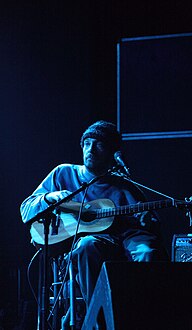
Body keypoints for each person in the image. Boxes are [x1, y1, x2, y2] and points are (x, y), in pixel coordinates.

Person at [20, 120, 168, 311]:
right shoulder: (63, 173)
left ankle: (141, 313)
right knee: (87, 245)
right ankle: (97, 316)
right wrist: (51, 197)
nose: (91, 149)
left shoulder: (124, 185)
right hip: (86, 243)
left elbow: (149, 225)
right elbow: (26, 209)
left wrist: (147, 220)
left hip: (120, 240)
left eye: (99, 144)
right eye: (87, 143)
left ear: (112, 153)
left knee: (147, 252)